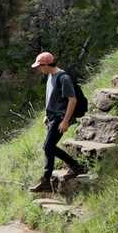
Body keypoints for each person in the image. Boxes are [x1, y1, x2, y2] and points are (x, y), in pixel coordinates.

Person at [29, 51, 86, 192]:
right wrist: (46, 114)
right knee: (49, 147)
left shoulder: (63, 78)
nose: (39, 69)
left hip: (61, 117)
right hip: (53, 117)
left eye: (40, 66)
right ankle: (48, 179)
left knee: (47, 147)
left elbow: (72, 100)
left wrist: (66, 121)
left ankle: (73, 167)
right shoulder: (50, 76)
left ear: (47, 64)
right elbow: (52, 97)